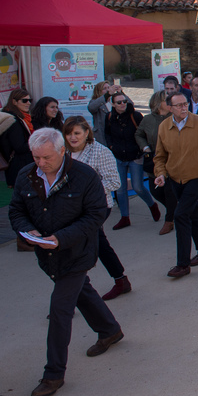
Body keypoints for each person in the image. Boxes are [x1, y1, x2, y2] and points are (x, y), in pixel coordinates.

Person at [10, 127, 124, 396]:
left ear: (63, 151)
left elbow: (96, 215)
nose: (41, 163)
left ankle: (53, 375)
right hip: (47, 255)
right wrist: (29, 230)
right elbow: (16, 210)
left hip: (77, 252)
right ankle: (110, 330)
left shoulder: (84, 176)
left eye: (46, 157)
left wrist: (60, 238)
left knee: (60, 309)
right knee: (81, 291)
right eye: (36, 157)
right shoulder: (26, 175)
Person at [153, 93, 198, 278]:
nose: (184, 108)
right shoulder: (164, 127)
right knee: (193, 214)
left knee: (181, 215)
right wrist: (160, 173)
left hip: (197, 177)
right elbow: (159, 156)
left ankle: (183, 264)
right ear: (170, 108)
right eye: (179, 105)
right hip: (176, 179)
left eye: (185, 104)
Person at [62, 116, 130, 300]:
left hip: (96, 206)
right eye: (69, 133)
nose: (72, 137)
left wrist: (86, 191)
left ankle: (73, 293)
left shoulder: (100, 152)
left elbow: (114, 182)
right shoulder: (63, 152)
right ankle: (120, 280)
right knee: (97, 244)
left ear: (86, 133)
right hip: (70, 208)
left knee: (82, 246)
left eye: (76, 133)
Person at [105, 91, 160, 230]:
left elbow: (142, 133)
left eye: (124, 101)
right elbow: (107, 133)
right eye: (119, 102)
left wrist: (143, 148)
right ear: (113, 104)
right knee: (121, 189)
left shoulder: (135, 116)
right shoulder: (110, 116)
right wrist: (111, 146)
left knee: (138, 187)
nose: (122, 104)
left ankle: (152, 205)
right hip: (119, 157)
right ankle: (125, 217)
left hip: (135, 156)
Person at [136, 90, 176, 235]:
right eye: (167, 100)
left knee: (169, 190)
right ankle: (177, 211)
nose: (170, 103)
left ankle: (169, 220)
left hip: (172, 159)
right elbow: (139, 134)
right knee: (156, 191)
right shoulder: (147, 119)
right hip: (154, 159)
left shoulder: (175, 117)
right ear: (158, 103)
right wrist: (144, 147)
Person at [0, 88, 34, 191]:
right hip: (20, 167)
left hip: (18, 166)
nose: (28, 103)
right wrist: (37, 143)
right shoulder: (13, 121)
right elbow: (19, 147)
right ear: (14, 101)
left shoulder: (18, 118)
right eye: (24, 100)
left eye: (30, 100)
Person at [88, 82, 126, 146]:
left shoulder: (115, 102)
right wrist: (107, 95)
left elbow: (130, 105)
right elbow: (91, 108)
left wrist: (121, 93)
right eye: (104, 88)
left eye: (109, 87)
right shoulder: (96, 102)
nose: (108, 90)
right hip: (102, 136)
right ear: (98, 91)